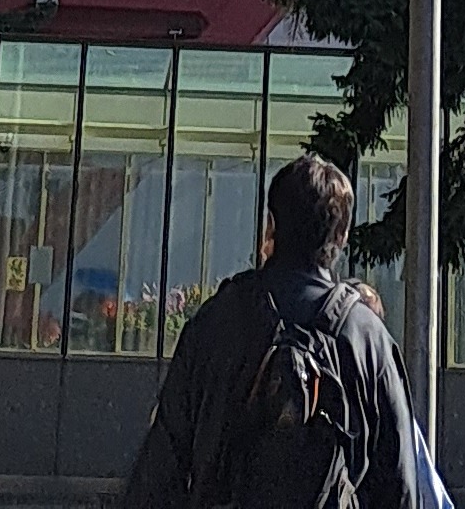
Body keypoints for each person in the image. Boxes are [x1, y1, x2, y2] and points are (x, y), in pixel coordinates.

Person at [121, 154, 426, 509]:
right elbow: (399, 484)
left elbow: (160, 471)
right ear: (341, 236)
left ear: (271, 226)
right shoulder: (367, 338)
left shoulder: (217, 321)